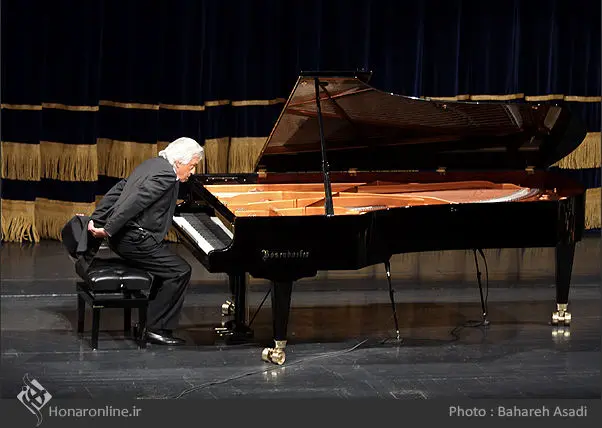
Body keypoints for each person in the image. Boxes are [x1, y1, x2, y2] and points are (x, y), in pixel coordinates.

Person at [88, 137, 203, 346]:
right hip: (133, 240)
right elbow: (135, 201)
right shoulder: (166, 175)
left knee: (167, 269)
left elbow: (120, 188)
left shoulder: (152, 164)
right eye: (192, 165)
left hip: (126, 237)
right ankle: (154, 329)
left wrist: (98, 217)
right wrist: (108, 229)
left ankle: (148, 323)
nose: (193, 171)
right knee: (179, 271)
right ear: (179, 161)